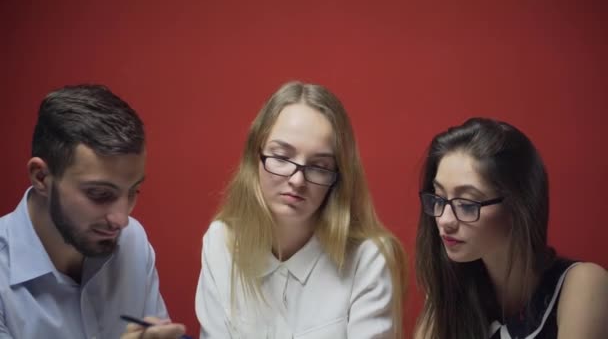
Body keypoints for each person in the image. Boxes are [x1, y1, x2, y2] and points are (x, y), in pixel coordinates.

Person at [195, 81, 407, 338]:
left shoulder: (368, 259)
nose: (297, 180)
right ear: (255, 156)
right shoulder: (221, 243)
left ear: (338, 177)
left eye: (319, 166)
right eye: (282, 157)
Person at [0, 84, 187, 338]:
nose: (121, 220)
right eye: (99, 194)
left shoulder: (134, 242)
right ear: (41, 177)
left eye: (133, 192)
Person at [414, 117, 608, 339]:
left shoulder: (583, 285)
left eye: (467, 204)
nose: (445, 220)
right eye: (439, 198)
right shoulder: (450, 291)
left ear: (518, 206)